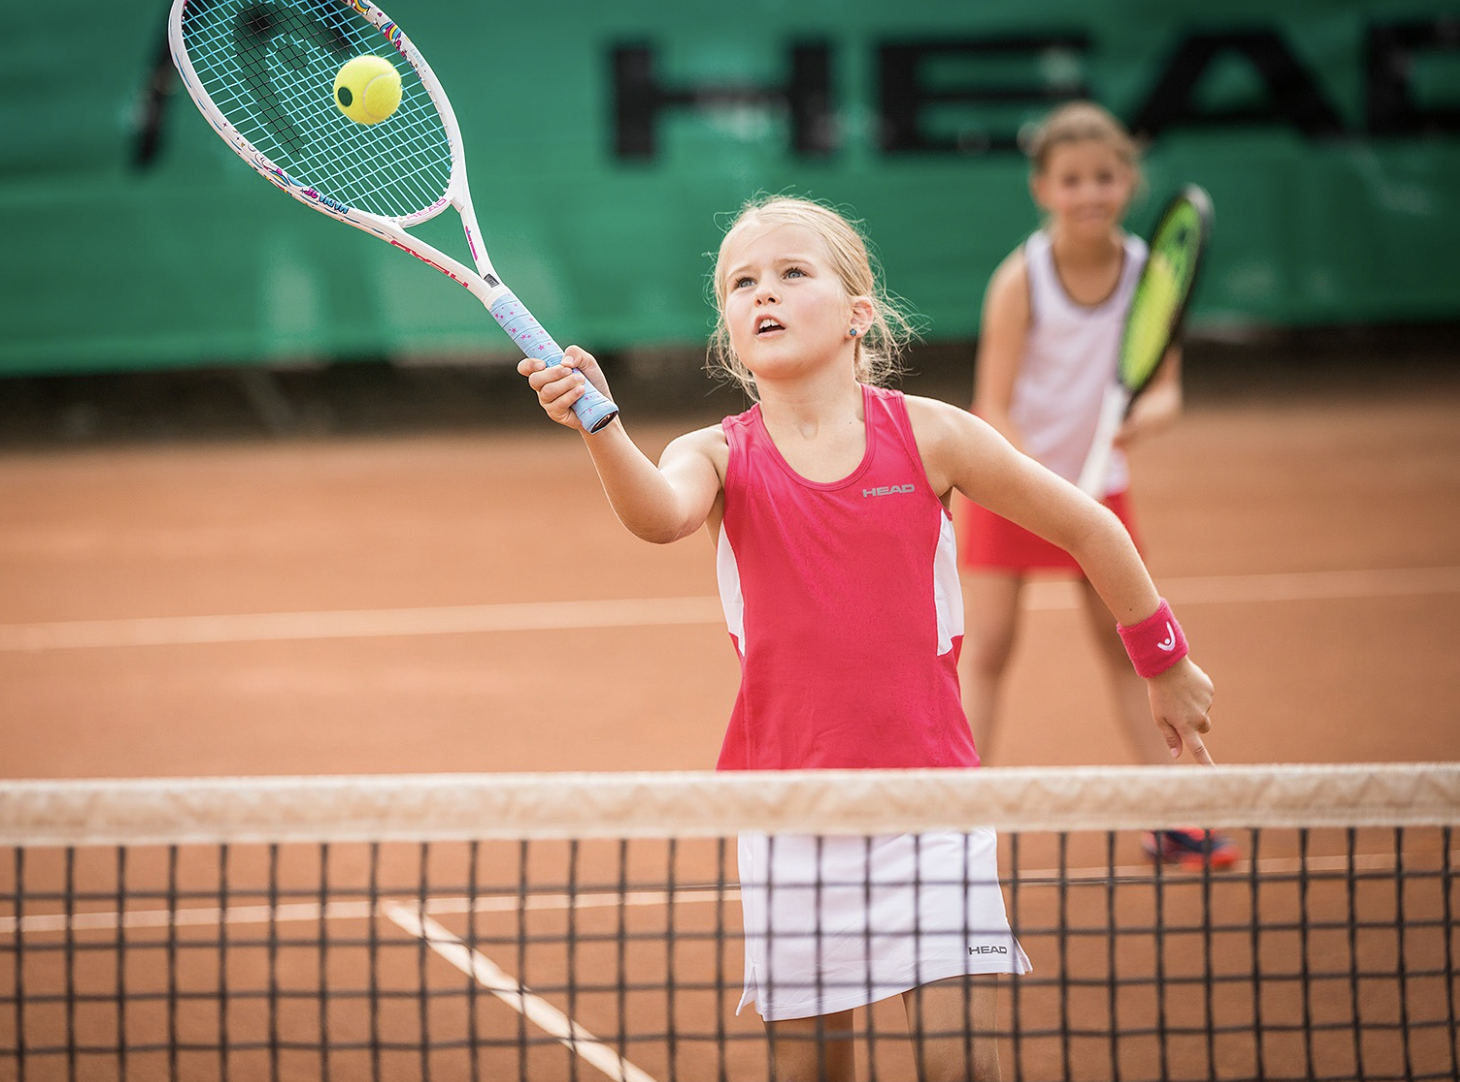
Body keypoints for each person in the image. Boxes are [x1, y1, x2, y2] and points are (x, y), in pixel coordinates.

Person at [517, 194, 1216, 1082]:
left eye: (791, 273)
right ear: (728, 328)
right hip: (786, 816)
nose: (762, 292)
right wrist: (602, 427)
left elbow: (1093, 529)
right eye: (741, 283)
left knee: (964, 1066)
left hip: (932, 807)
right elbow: (659, 516)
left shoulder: (932, 435)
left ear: (858, 314)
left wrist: (1166, 662)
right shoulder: (717, 453)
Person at [957, 101, 1236, 871]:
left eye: (1106, 177)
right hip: (1012, 483)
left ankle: (1177, 818)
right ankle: (951, 820)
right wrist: (1039, 483)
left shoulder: (1154, 274)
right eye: (1072, 179)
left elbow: (1167, 391)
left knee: (1132, 658)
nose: (1090, 193)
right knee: (989, 649)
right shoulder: (1021, 279)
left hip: (1101, 497)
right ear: (1043, 188)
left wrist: (1135, 423)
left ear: (1129, 181)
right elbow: (991, 406)